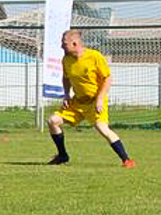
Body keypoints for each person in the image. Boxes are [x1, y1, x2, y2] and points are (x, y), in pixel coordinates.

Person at [46, 29, 135, 168]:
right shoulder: (66, 60)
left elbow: (107, 79)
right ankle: (62, 156)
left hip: (95, 101)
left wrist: (100, 99)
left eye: (64, 43)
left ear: (75, 43)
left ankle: (127, 160)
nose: (62, 46)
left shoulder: (95, 56)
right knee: (53, 121)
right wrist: (66, 95)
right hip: (78, 102)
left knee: (102, 128)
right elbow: (66, 78)